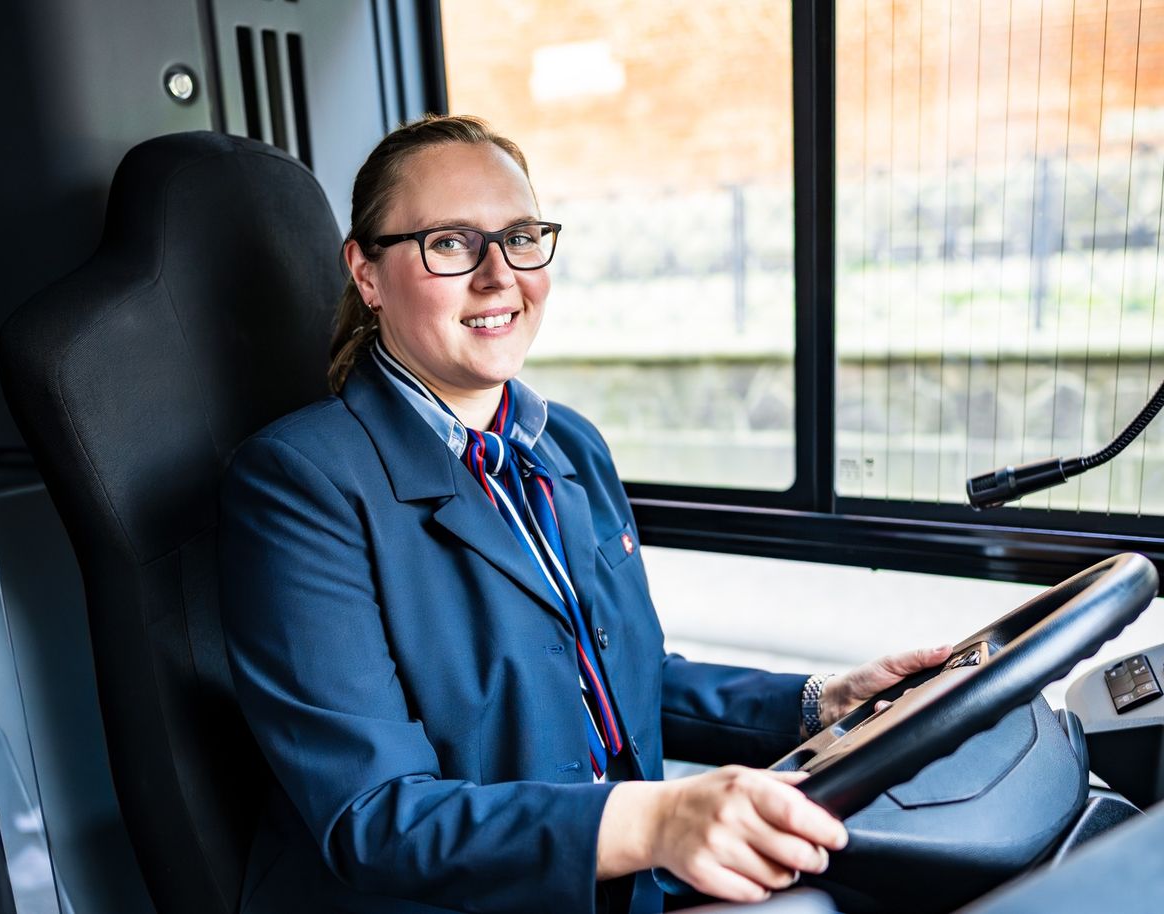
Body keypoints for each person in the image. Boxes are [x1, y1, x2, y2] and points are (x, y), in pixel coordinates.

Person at [218, 115, 952, 914]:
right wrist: (655, 820)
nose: (499, 276)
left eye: (520, 238)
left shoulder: (566, 443)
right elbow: (377, 816)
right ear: (367, 274)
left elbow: (623, 681)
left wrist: (823, 702)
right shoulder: (299, 484)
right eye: (450, 244)